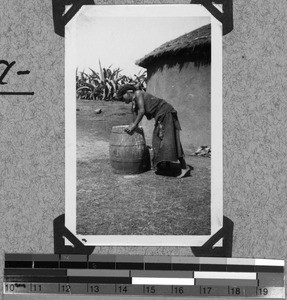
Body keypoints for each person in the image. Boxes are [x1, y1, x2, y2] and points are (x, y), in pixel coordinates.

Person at [116, 84, 191, 179]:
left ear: (129, 92)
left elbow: (142, 111)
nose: (124, 101)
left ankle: (185, 167)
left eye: (123, 98)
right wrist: (133, 124)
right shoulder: (134, 101)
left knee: (169, 140)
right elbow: (135, 112)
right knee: (158, 140)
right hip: (161, 116)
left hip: (166, 114)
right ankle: (165, 165)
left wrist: (134, 125)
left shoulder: (138, 93)